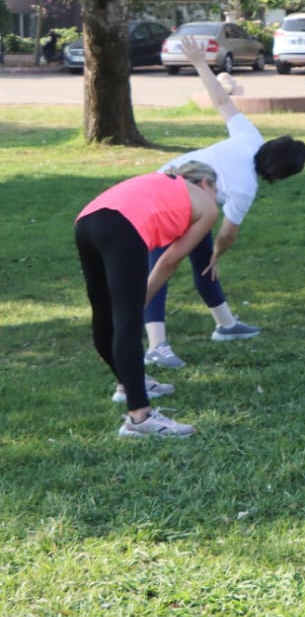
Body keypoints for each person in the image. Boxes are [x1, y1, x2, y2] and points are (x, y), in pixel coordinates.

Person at [141, 35, 305, 368]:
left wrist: (199, 62)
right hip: (165, 199)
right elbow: (228, 234)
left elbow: (221, 101)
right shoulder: (246, 188)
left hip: (181, 194)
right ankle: (157, 346)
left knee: (203, 259)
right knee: (162, 266)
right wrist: (219, 252)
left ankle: (226, 325)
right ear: (281, 175)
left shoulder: (250, 137)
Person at [75, 163, 220, 437]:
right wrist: (140, 300)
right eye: (216, 190)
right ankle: (140, 418)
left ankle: (127, 383)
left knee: (104, 316)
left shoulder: (163, 183)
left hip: (86, 221)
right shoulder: (207, 206)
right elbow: (168, 262)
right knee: (127, 321)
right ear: (205, 184)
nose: (216, 198)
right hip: (122, 225)